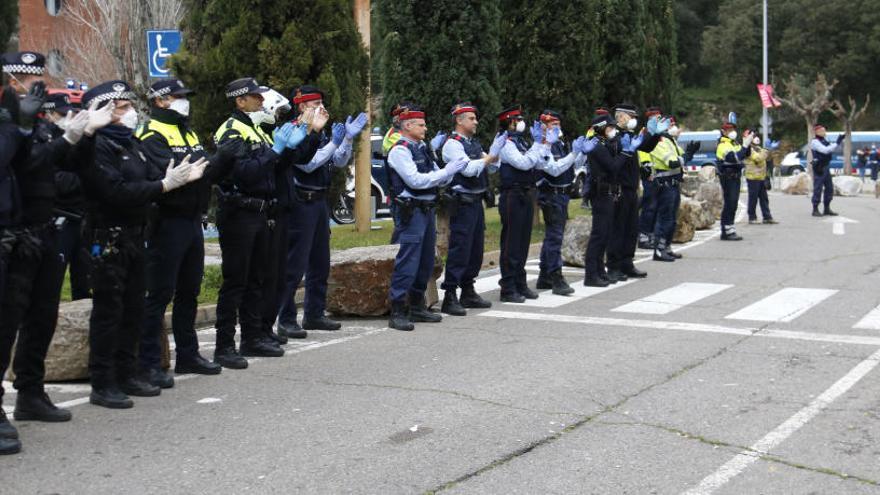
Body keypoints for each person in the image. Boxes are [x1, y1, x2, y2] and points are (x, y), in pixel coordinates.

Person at [78, 80, 207, 408]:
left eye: (127, 106)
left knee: (133, 307)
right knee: (109, 312)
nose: (130, 112)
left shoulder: (131, 143)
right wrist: (164, 185)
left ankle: (128, 371)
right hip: (106, 237)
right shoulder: (98, 146)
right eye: (121, 108)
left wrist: (163, 182)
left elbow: (148, 178)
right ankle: (103, 381)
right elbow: (116, 191)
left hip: (136, 234)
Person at [136, 78, 241, 389]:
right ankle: (150, 362)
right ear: (160, 100)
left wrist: (222, 160)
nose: (184, 101)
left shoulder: (187, 131)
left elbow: (203, 174)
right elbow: (172, 175)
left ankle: (188, 353)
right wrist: (215, 160)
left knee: (188, 292)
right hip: (167, 221)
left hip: (192, 221)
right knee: (159, 295)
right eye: (178, 96)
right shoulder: (152, 133)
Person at [212, 78, 308, 369]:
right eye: (255, 97)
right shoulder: (232, 130)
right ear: (240, 101)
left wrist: (288, 148)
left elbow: (274, 168)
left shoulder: (254, 129)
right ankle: (224, 345)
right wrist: (276, 150)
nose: (261, 102)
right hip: (239, 212)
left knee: (257, 279)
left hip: (260, 211)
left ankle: (253, 337)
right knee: (236, 282)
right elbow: (246, 174)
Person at [276, 86, 367, 336]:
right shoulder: (295, 131)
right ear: (301, 106)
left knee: (320, 263)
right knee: (294, 264)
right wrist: (334, 143)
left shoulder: (321, 130)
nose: (321, 107)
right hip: (300, 202)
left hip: (318, 202)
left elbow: (337, 161)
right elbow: (307, 164)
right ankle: (285, 318)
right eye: (314, 103)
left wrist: (346, 139)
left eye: (321, 102)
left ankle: (314, 314)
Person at [386, 106, 467, 331]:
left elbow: (435, 177)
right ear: (408, 125)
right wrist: (447, 171)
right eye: (421, 124)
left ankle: (417, 305)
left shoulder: (421, 148)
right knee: (408, 260)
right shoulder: (400, 151)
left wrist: (447, 173)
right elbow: (416, 181)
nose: (426, 128)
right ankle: (398, 309)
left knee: (425, 261)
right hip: (411, 211)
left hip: (427, 209)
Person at [439, 102, 506, 315]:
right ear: (459, 120)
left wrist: (495, 154)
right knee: (460, 248)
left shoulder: (473, 143)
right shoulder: (453, 144)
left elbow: (493, 165)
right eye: (471, 118)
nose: (476, 122)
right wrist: (489, 157)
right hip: (462, 202)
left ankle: (468, 289)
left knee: (476, 249)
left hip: (476, 202)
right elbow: (468, 170)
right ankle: (450, 295)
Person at [495, 106, 554, 303]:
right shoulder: (505, 143)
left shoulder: (521, 142)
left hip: (526, 193)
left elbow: (538, 163)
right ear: (509, 122)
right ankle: (508, 286)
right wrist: (538, 145)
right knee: (511, 242)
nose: (521, 122)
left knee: (523, 242)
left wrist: (544, 145)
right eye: (517, 119)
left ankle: (520, 282)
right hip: (512, 195)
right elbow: (524, 163)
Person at [535, 109, 591, 296]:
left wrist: (581, 153)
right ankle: (556, 276)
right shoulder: (544, 145)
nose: (557, 128)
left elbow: (573, 166)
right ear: (544, 126)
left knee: (553, 236)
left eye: (558, 124)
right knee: (554, 237)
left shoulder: (559, 143)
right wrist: (574, 154)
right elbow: (554, 170)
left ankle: (545, 275)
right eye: (553, 124)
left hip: (562, 194)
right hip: (551, 195)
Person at [584, 114, 641, 287]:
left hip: (608, 193)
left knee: (606, 234)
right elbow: (613, 166)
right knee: (599, 235)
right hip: (600, 194)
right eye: (609, 127)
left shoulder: (604, 144)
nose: (612, 130)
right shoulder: (597, 147)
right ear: (601, 128)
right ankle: (591, 274)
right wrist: (626, 151)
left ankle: (600, 271)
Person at [606, 104, 661, 281]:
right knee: (618, 228)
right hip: (619, 189)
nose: (633, 120)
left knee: (631, 228)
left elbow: (646, 147)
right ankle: (614, 266)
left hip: (632, 188)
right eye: (630, 117)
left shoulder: (630, 135)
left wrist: (654, 134)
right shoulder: (614, 136)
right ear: (620, 118)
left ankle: (627, 263)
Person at [47, 94, 91, 301]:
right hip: (58, 218)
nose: (69, 117)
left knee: (84, 279)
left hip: (82, 217)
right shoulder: (47, 141)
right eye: (63, 114)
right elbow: (56, 180)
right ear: (49, 115)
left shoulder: (78, 140)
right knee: (51, 282)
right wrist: (87, 179)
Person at [647, 116, 696, 261]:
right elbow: (673, 162)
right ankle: (659, 250)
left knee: (672, 219)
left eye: (673, 124)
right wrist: (686, 156)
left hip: (673, 183)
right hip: (664, 184)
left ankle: (667, 247)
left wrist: (689, 153)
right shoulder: (658, 141)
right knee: (664, 218)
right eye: (669, 125)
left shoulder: (670, 140)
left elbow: (681, 155)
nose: (672, 127)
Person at [715, 121, 753, 240]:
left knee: (733, 204)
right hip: (728, 177)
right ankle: (726, 230)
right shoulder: (723, 145)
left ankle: (729, 228)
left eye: (732, 129)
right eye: (728, 130)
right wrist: (745, 146)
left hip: (735, 177)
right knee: (730, 203)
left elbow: (745, 154)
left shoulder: (733, 143)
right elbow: (734, 158)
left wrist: (747, 142)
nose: (731, 132)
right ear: (723, 131)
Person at [809, 125, 844, 217]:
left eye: (825, 130)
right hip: (819, 167)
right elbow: (825, 150)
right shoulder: (815, 142)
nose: (825, 132)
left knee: (829, 188)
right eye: (822, 131)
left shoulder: (825, 140)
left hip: (826, 165)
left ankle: (827, 208)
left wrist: (837, 142)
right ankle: (815, 209)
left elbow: (831, 148)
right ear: (817, 132)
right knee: (818, 188)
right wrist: (837, 142)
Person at [744, 134, 777, 225]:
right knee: (753, 199)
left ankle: (767, 217)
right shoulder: (748, 149)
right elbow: (758, 158)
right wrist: (766, 149)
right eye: (754, 137)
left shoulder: (758, 148)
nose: (756, 139)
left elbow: (767, 158)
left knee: (764, 198)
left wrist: (770, 150)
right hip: (752, 178)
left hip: (761, 177)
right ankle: (752, 217)